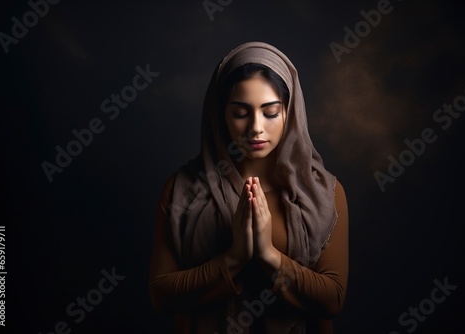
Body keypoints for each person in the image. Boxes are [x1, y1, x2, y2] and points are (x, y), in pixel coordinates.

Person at [149, 41, 348, 333]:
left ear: (289, 112)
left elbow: (332, 300)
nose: (256, 127)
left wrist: (268, 255)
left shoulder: (322, 192)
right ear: (221, 115)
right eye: (241, 112)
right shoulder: (183, 190)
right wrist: (234, 258)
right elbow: (161, 296)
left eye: (270, 112)